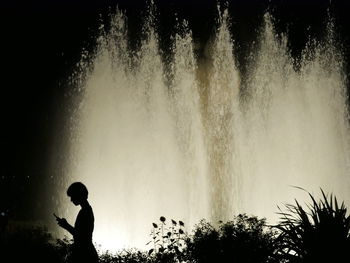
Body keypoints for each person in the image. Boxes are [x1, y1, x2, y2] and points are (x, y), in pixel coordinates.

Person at [55, 182, 99, 263]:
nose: (71, 200)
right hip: (87, 253)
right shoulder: (86, 210)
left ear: (79, 195)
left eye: (72, 196)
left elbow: (81, 236)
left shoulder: (85, 212)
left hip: (85, 255)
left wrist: (66, 225)